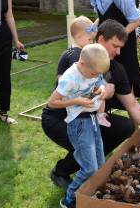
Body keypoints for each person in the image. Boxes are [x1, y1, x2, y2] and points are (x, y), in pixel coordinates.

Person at [41, 19, 140, 190]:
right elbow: (64, 89)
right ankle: (61, 171)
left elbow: (132, 105)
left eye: (121, 47)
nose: (118, 52)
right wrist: (104, 88)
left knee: (125, 127)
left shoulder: (117, 69)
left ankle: (91, 162)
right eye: (115, 46)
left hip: (89, 118)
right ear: (101, 39)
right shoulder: (79, 57)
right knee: (87, 144)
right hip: (58, 119)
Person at [47, 44, 110, 208]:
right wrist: (77, 101)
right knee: (89, 168)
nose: (95, 76)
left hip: (93, 120)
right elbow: (52, 102)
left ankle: (89, 193)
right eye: (93, 73)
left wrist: (102, 88)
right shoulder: (70, 78)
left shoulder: (93, 68)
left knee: (100, 165)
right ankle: (69, 199)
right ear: (82, 64)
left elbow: (101, 80)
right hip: (79, 124)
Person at [90, 0, 140, 101]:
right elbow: (103, 16)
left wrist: (119, 38)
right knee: (105, 74)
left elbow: (136, 21)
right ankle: (103, 111)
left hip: (125, 43)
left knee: (127, 76)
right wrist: (93, 28)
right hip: (107, 41)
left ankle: (131, 109)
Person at [0, 0, 24, 124]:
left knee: (5, 78)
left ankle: (3, 113)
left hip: (5, 39)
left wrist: (16, 40)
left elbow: (9, 15)